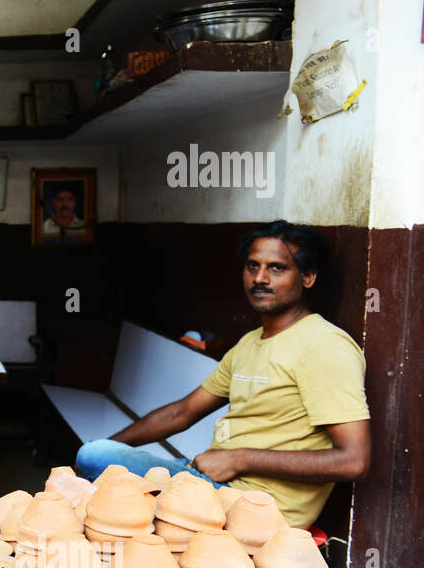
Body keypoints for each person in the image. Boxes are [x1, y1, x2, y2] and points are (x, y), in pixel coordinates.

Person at [74, 221, 371, 529]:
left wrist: (239, 458)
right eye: (252, 266)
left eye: (277, 269)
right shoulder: (250, 344)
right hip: (210, 480)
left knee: (96, 458)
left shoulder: (323, 345)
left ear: (308, 277)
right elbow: (181, 413)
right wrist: (114, 446)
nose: (259, 278)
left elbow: (354, 460)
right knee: (99, 458)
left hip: (253, 506)